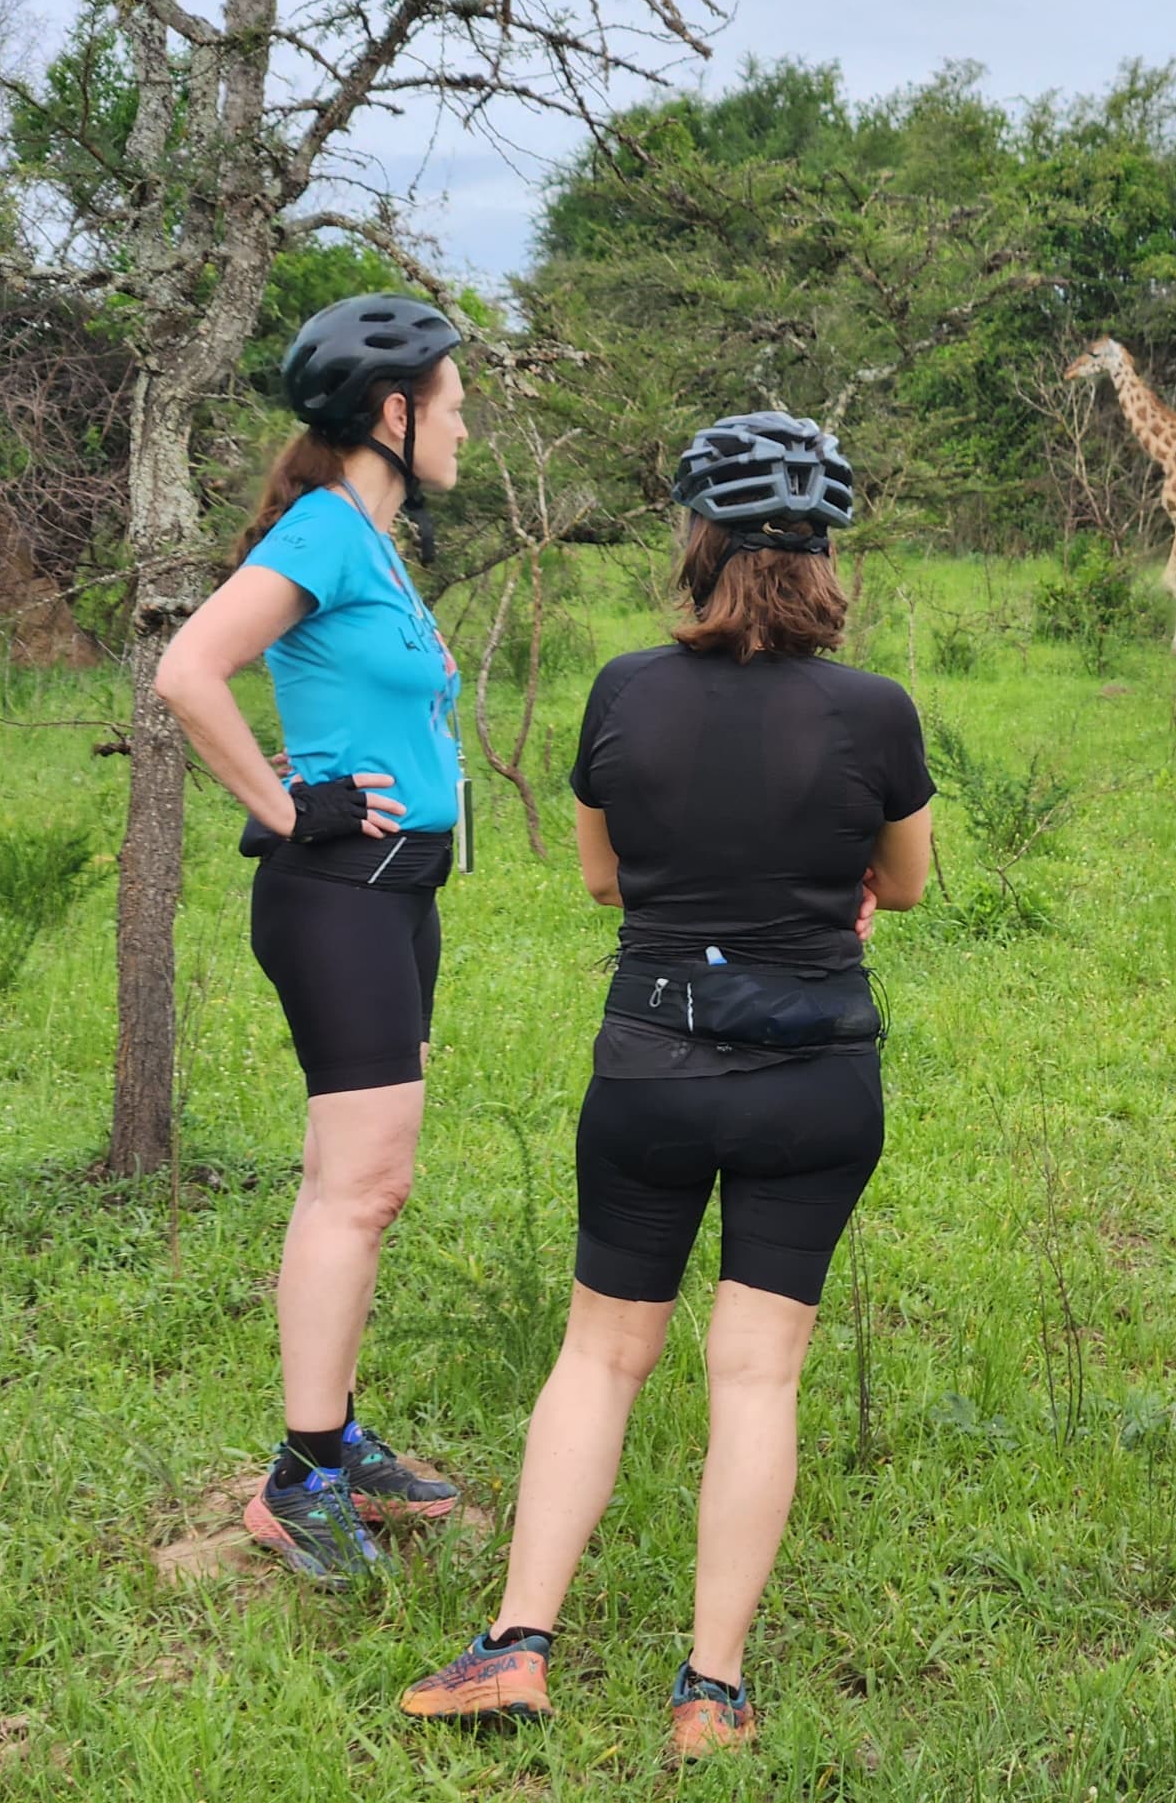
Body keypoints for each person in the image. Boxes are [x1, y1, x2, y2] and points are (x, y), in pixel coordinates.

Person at [399, 411, 933, 1763]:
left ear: (695, 541)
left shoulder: (624, 690)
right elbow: (906, 883)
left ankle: (518, 1646)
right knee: (757, 1377)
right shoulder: (875, 709)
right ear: (824, 557)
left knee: (601, 1353)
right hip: (815, 1076)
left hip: (651, 1062)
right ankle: (714, 1692)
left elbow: (601, 877)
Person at [155, 293, 472, 1584]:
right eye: (453, 405)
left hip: (400, 896)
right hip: (339, 892)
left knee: (358, 1183)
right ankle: (300, 1479)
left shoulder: (373, 545)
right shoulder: (325, 532)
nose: (466, 428)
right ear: (393, 415)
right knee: (362, 1185)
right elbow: (188, 670)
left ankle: (333, 1437)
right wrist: (288, 808)